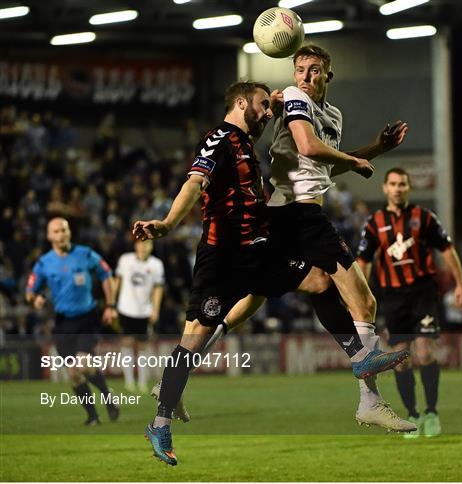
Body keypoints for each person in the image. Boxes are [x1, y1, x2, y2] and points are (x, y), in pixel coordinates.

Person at [133, 81, 410, 466]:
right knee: (192, 341)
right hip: (221, 260)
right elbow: (195, 182)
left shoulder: (247, 142)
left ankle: (359, 357)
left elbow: (283, 131)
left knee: (319, 280)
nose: (268, 112)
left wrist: (275, 101)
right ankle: (160, 424)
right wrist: (165, 223)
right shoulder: (221, 138)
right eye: (262, 106)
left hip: (257, 254)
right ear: (241, 102)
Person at [356, 167, 462, 437]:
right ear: (385, 188)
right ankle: (413, 414)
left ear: (408, 188)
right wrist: (360, 295)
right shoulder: (374, 223)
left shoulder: (424, 218)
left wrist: (460, 284)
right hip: (394, 298)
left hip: (423, 293)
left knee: (425, 353)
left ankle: (431, 411)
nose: (397, 188)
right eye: (393, 183)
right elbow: (364, 261)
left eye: (402, 184)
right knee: (402, 360)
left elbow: (447, 249)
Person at [25, 217, 120, 425]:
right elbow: (30, 291)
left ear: (69, 233)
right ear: (50, 236)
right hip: (63, 323)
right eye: (56, 231)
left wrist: (110, 306)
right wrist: (36, 298)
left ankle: (107, 397)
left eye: (64, 230)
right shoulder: (44, 263)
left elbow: (106, 274)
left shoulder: (85, 254)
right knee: (73, 374)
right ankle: (93, 416)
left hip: (87, 317)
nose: (61, 235)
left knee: (83, 364)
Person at [113, 239, 165, 393]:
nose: (143, 246)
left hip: (144, 311)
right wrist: (112, 304)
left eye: (147, 244)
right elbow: (117, 282)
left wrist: (155, 309)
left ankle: (142, 382)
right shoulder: (125, 260)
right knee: (126, 343)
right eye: (141, 243)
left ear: (151, 246)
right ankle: (129, 382)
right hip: (125, 309)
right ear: (135, 245)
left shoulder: (156, 264)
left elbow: (158, 289)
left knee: (143, 347)